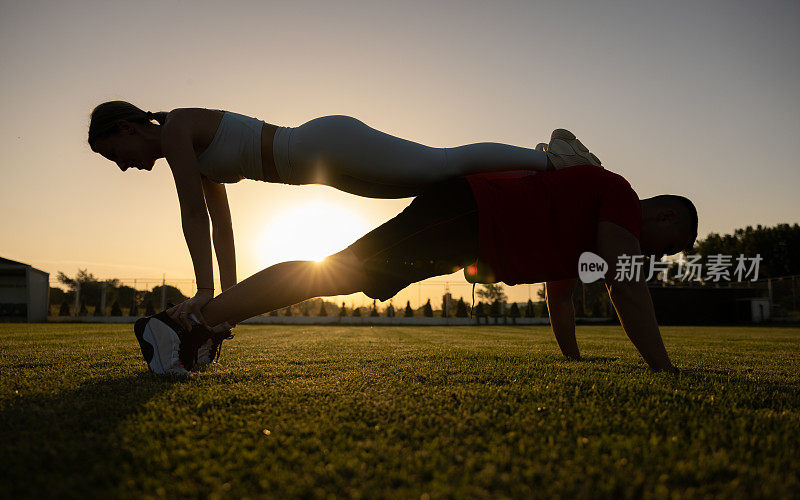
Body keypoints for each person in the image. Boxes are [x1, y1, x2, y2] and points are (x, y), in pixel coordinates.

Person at [133, 165, 698, 376]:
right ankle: (189, 325)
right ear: (666, 214)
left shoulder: (592, 226)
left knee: (341, 272)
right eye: (677, 244)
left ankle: (201, 325)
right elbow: (627, 284)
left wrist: (573, 359)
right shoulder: (621, 197)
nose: (669, 254)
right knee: (337, 272)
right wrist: (664, 369)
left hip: (466, 226)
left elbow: (562, 294)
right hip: (467, 215)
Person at [88, 101, 601, 331]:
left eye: (116, 154)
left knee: (438, 162)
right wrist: (223, 294)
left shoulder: (177, 127)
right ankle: (534, 173)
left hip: (325, 144)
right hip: (323, 167)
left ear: (129, 127)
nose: (125, 167)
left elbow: (191, 213)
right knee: (439, 179)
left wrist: (203, 293)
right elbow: (219, 225)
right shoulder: (195, 156)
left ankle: (552, 157)